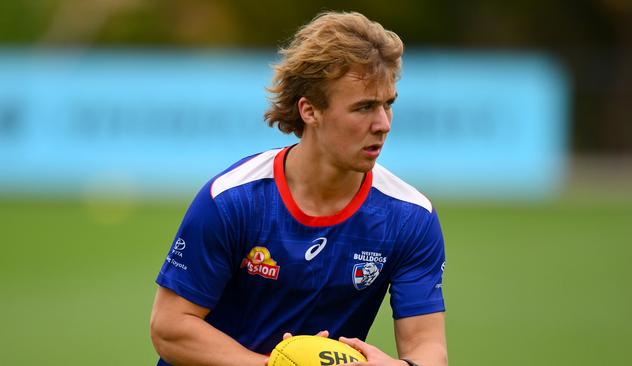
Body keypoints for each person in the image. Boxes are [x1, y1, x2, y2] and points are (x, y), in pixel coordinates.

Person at [150, 11, 447, 366]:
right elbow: (169, 328)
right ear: (310, 110)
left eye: (388, 104)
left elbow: (429, 349)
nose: (383, 124)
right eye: (364, 107)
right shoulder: (233, 199)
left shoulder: (410, 217)